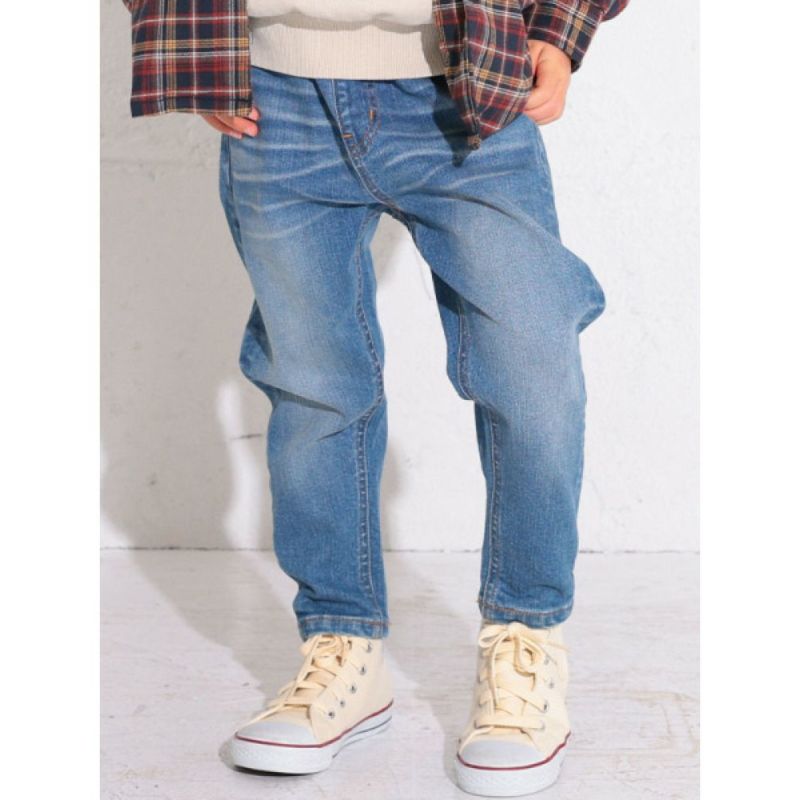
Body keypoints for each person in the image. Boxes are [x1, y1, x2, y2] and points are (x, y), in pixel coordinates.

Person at [121, 1, 628, 795]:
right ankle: (342, 647)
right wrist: (189, 42)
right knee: (315, 389)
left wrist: (559, 29)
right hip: (274, 95)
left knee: (531, 365)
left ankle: (525, 643)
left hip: (465, 89)